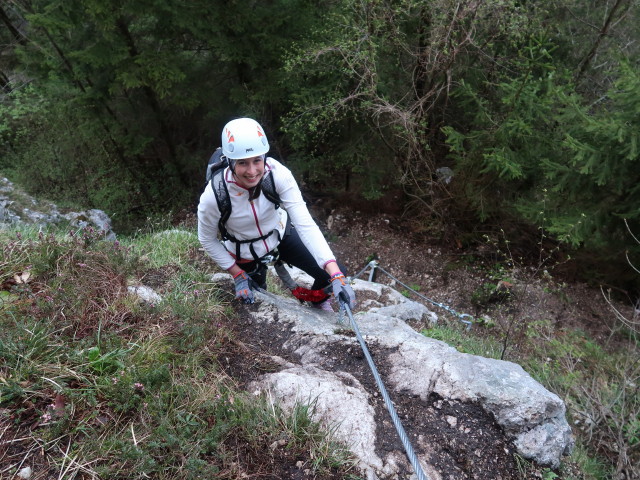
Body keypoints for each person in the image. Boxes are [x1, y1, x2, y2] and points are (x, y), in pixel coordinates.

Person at [197, 117, 355, 311]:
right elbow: (206, 239)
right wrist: (237, 274)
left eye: (257, 160)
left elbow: (305, 223)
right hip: (243, 249)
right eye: (243, 163)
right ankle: (255, 280)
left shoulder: (277, 174)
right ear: (230, 162)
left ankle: (318, 302)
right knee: (254, 299)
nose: (252, 171)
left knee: (331, 274)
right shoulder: (215, 194)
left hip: (279, 234)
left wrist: (336, 274)